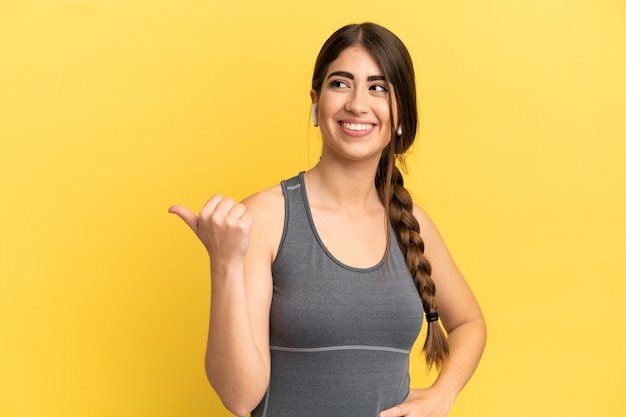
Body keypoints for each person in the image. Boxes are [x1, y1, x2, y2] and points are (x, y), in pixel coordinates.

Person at [169, 22, 486, 417]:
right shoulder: (264, 218)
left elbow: (469, 323)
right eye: (341, 84)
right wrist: (225, 264)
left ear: (400, 112)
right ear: (316, 102)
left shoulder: (411, 223)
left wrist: (444, 393)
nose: (357, 103)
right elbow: (239, 397)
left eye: (378, 87)